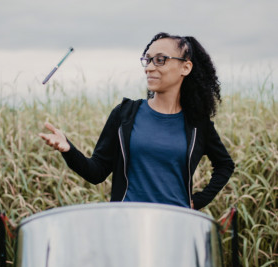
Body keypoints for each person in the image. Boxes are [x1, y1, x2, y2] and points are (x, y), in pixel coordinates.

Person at [39, 32, 235, 210]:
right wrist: (68, 150)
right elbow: (96, 172)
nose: (149, 67)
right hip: (126, 222)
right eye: (148, 60)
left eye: (160, 60)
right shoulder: (125, 114)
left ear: (185, 67)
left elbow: (225, 165)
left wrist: (199, 200)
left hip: (176, 225)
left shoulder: (196, 123)